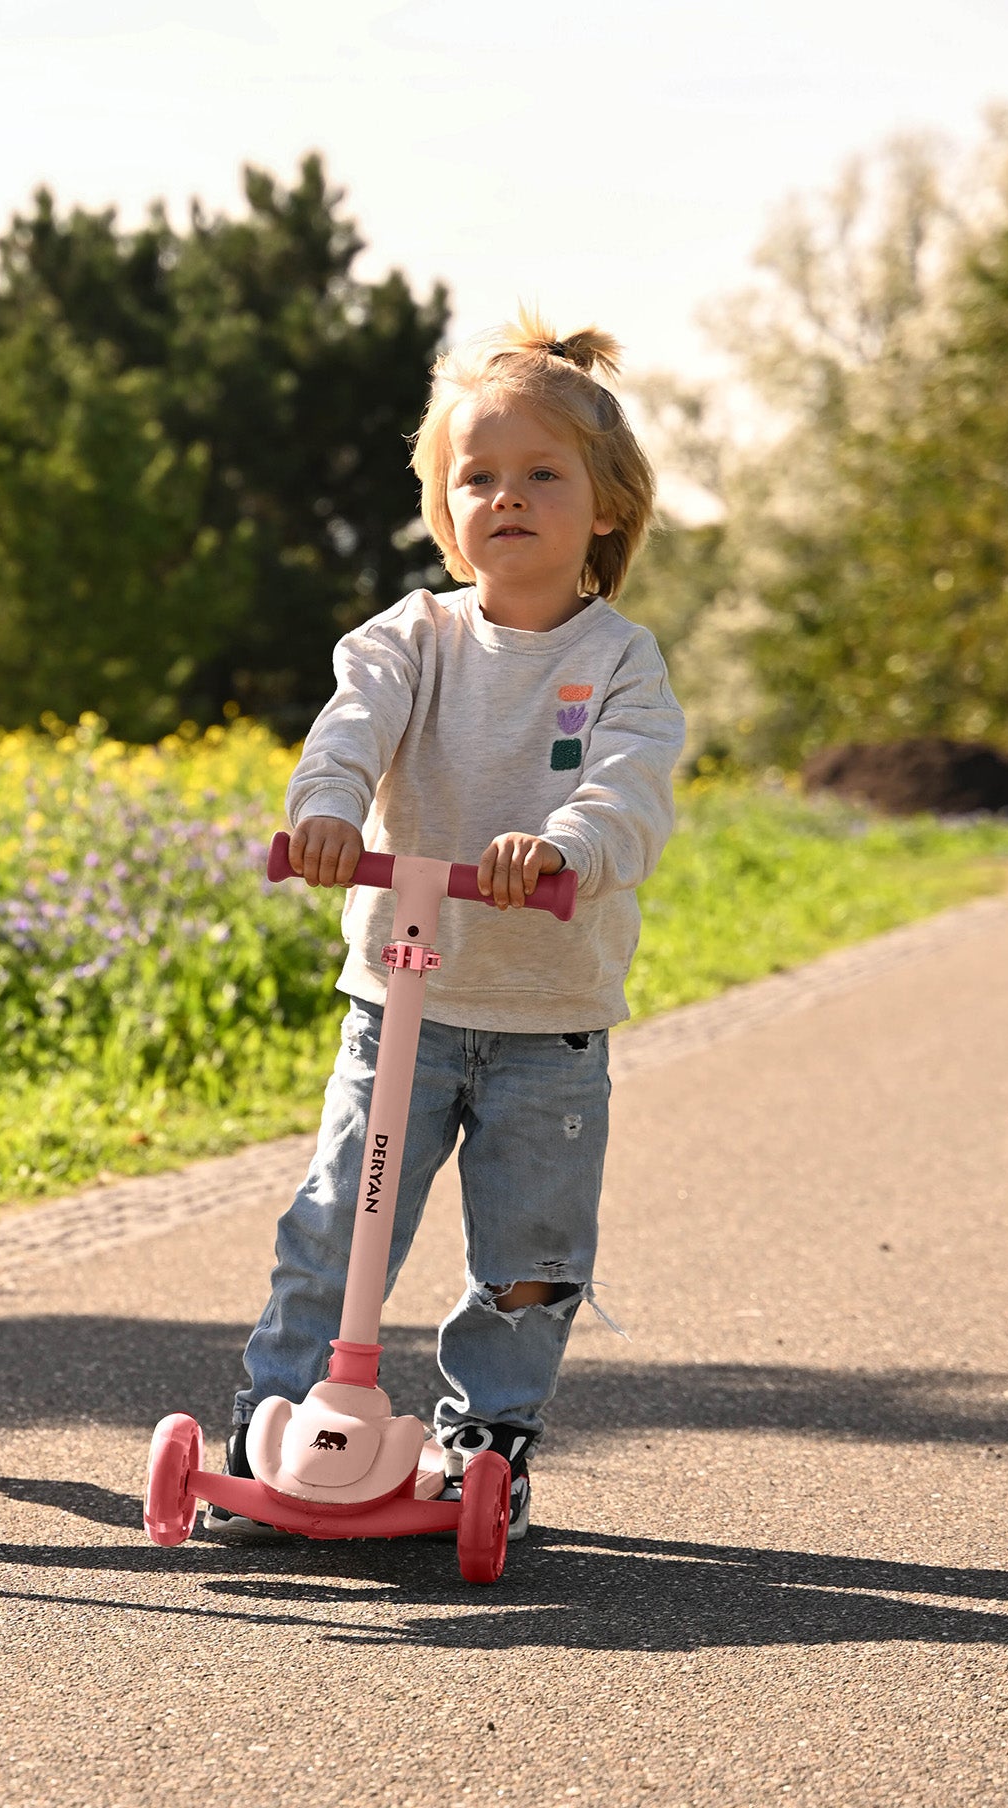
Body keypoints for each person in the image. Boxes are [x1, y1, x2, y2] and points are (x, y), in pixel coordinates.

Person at [212, 311, 684, 1540]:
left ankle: (488, 1436)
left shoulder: (619, 661)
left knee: (527, 1253)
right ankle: (275, 1417)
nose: (505, 497)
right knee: (331, 1219)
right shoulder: (409, 639)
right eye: (475, 476)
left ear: (605, 507)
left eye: (540, 474)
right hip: (397, 1003)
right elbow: (348, 729)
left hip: (545, 1019)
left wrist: (565, 844)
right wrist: (323, 811)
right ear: (440, 502)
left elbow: (626, 787)